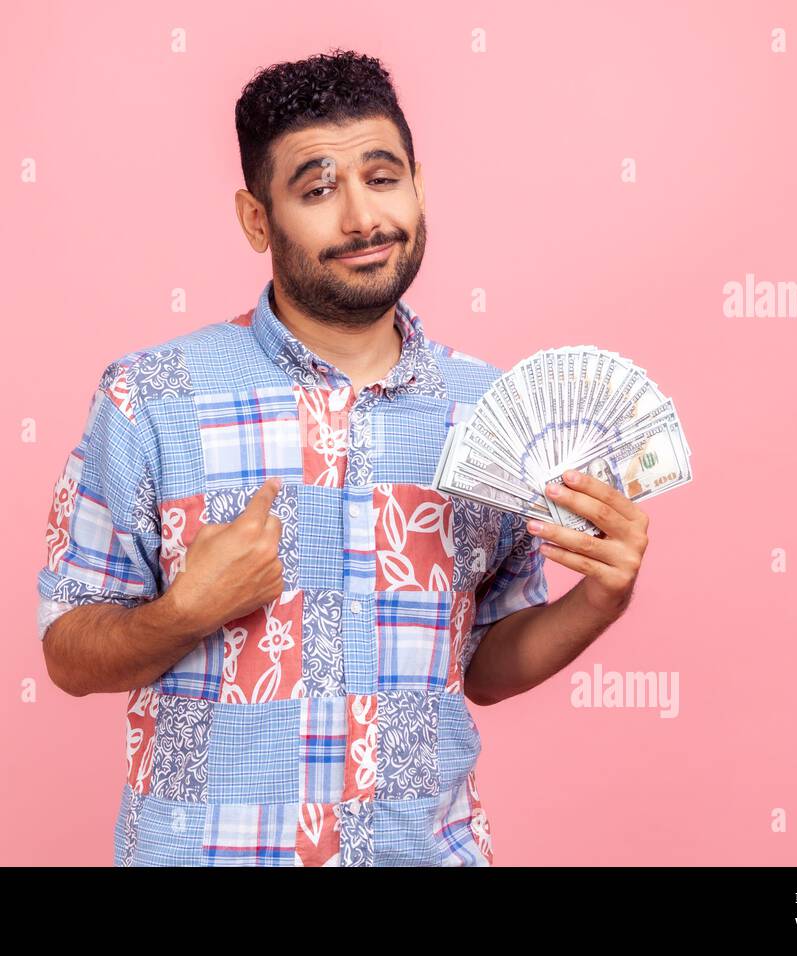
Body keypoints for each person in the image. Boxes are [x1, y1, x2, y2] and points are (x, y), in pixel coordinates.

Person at [35, 49, 650, 866]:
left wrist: (598, 602)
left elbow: (482, 665)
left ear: (419, 186)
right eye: (318, 189)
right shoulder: (150, 399)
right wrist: (186, 611)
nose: (363, 218)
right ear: (258, 220)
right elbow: (68, 651)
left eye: (382, 178)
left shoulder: (486, 411)